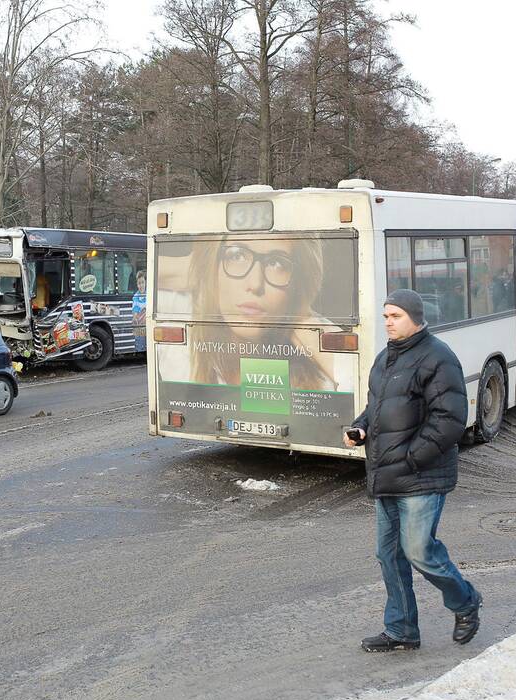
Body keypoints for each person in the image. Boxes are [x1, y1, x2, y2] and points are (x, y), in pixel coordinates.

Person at [344, 288, 481, 652]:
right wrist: (361, 428)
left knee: (419, 551)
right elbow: (378, 407)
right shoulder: (386, 358)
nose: (388, 322)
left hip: (420, 476)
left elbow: (450, 420)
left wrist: (410, 459)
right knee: (389, 556)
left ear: (415, 318)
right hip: (386, 475)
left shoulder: (438, 358)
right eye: (386, 315)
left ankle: (466, 601)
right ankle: (402, 629)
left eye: (395, 316)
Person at [184, 239, 339, 390]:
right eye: (237, 256)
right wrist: (198, 275)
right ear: (212, 267)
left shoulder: (319, 346)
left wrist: (324, 354)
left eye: (276, 263)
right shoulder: (180, 341)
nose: (255, 284)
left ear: (298, 284)